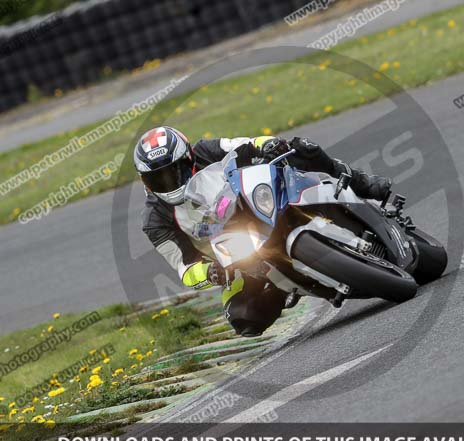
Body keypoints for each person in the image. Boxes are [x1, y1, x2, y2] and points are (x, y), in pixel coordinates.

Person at [136, 126, 391, 337]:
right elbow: (184, 268)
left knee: (302, 147)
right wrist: (210, 272)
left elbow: (246, 143)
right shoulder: (155, 220)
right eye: (158, 178)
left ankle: (362, 183)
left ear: (188, 158)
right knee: (244, 317)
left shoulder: (205, 150)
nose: (168, 182)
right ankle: (284, 287)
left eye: (173, 172)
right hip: (236, 256)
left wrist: (267, 145)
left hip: (256, 204)